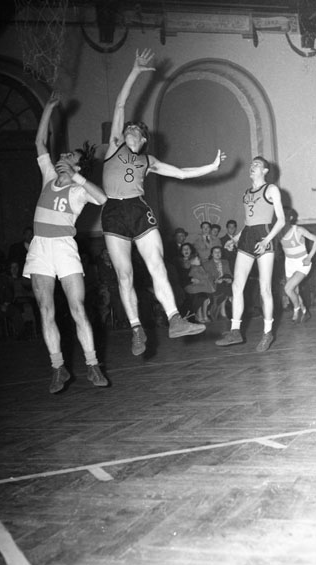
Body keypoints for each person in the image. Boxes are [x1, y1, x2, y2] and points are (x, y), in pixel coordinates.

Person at [101, 48, 226, 356]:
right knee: (125, 275)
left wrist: (211, 167)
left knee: (157, 264)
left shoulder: (149, 160)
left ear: (143, 139)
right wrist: (135, 71)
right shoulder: (114, 146)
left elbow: (181, 173)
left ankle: (174, 319)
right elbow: (120, 103)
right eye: (128, 129)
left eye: (135, 130)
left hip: (138, 209)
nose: (130, 130)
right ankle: (136, 329)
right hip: (114, 211)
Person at [23, 91, 109, 394]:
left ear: (78, 166)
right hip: (40, 248)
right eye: (64, 155)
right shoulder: (48, 175)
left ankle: (92, 364)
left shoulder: (79, 190)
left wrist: (78, 177)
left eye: (70, 156)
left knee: (77, 308)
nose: (62, 156)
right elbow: (39, 143)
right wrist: (48, 109)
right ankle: (58, 367)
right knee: (45, 309)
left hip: (64, 248)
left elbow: (102, 198)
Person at [216, 156, 286, 351]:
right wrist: (234, 239)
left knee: (265, 289)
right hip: (247, 236)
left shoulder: (271, 189)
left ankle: (267, 332)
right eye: (252, 164)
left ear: (265, 171)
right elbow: (248, 222)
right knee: (237, 285)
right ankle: (235, 331)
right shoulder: (246, 193)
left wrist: (266, 240)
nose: (252, 166)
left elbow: (281, 220)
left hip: (264, 235)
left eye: (257, 164)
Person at [279, 208, 316, 322]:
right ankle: (304, 311)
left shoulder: (298, 230)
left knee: (288, 288)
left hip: (302, 263)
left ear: (290, 218)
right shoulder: (278, 231)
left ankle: (296, 309)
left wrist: (309, 257)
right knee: (294, 291)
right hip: (289, 263)